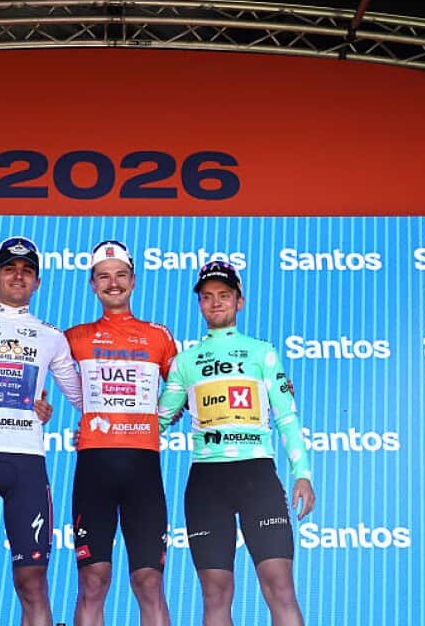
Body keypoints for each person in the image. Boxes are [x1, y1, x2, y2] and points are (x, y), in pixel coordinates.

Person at [157, 260, 316, 626]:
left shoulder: (263, 353)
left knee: (280, 588)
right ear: (199, 304)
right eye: (208, 297)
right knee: (215, 593)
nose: (216, 303)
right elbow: (159, 421)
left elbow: (287, 417)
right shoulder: (185, 362)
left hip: (257, 476)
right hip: (207, 482)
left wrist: (303, 474)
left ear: (239, 302)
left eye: (224, 296)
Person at [0, 236, 81, 626]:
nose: (18, 276)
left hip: (27, 464)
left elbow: (79, 395)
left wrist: (86, 423)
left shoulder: (51, 335)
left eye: (27, 271)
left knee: (33, 582)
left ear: (37, 282)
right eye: (10, 268)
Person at [64, 240, 177, 626]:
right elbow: (36, 379)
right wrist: (39, 404)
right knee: (93, 581)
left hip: (143, 470)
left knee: (149, 582)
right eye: (104, 276)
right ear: (93, 284)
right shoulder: (73, 337)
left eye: (121, 275)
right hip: (94, 469)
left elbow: (188, 389)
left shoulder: (158, 336)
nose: (113, 283)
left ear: (134, 281)